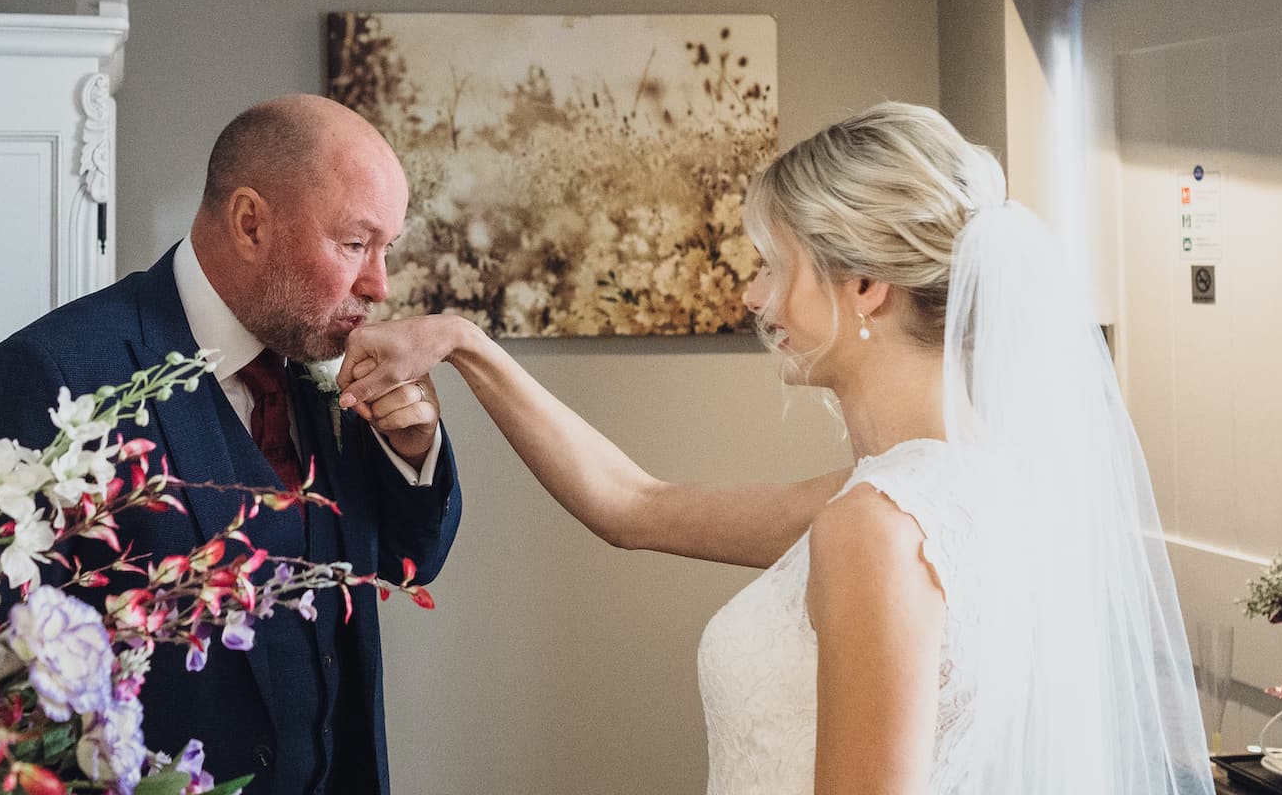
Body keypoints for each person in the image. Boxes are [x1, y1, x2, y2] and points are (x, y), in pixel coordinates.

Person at [335, 102, 1209, 795]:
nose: (757, 297)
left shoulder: (876, 526)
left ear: (866, 286)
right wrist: (464, 342)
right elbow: (632, 507)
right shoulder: (960, 489)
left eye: (774, 265)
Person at [0, 94, 462, 795]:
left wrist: (413, 453)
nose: (379, 285)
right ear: (251, 221)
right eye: (354, 244)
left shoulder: (331, 367)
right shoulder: (52, 375)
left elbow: (409, 564)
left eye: (385, 248)